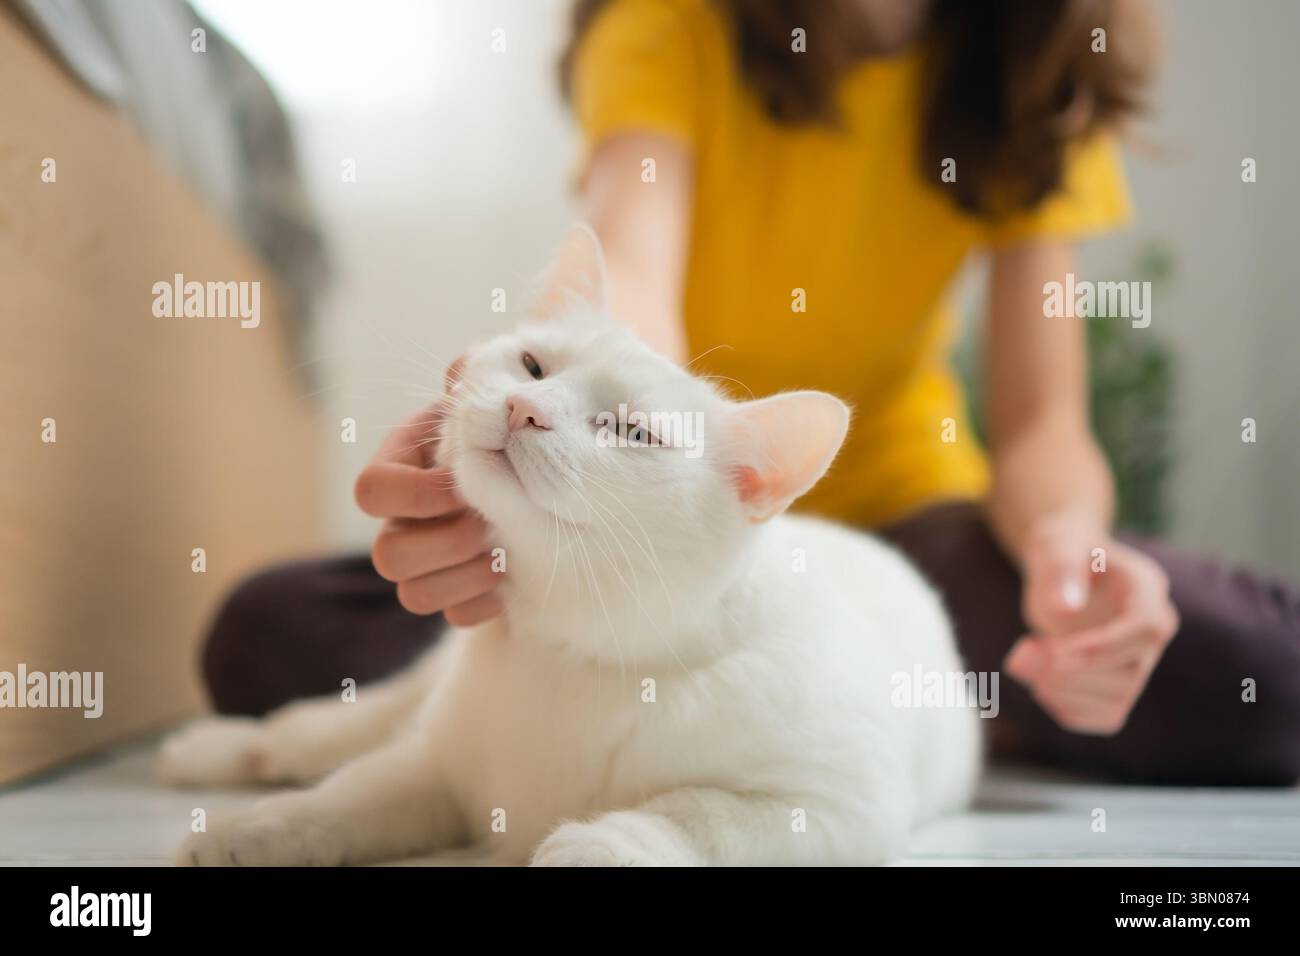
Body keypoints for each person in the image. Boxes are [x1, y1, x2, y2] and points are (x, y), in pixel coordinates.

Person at [203, 0, 1300, 786]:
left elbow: (1042, 421)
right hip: (652, 531)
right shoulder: (673, 23)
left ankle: (881, 707)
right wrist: (556, 432)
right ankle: (941, 718)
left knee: (1261, 668)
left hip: (903, 534)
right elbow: (627, 276)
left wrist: (1070, 553)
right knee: (268, 635)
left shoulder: (1031, 69)